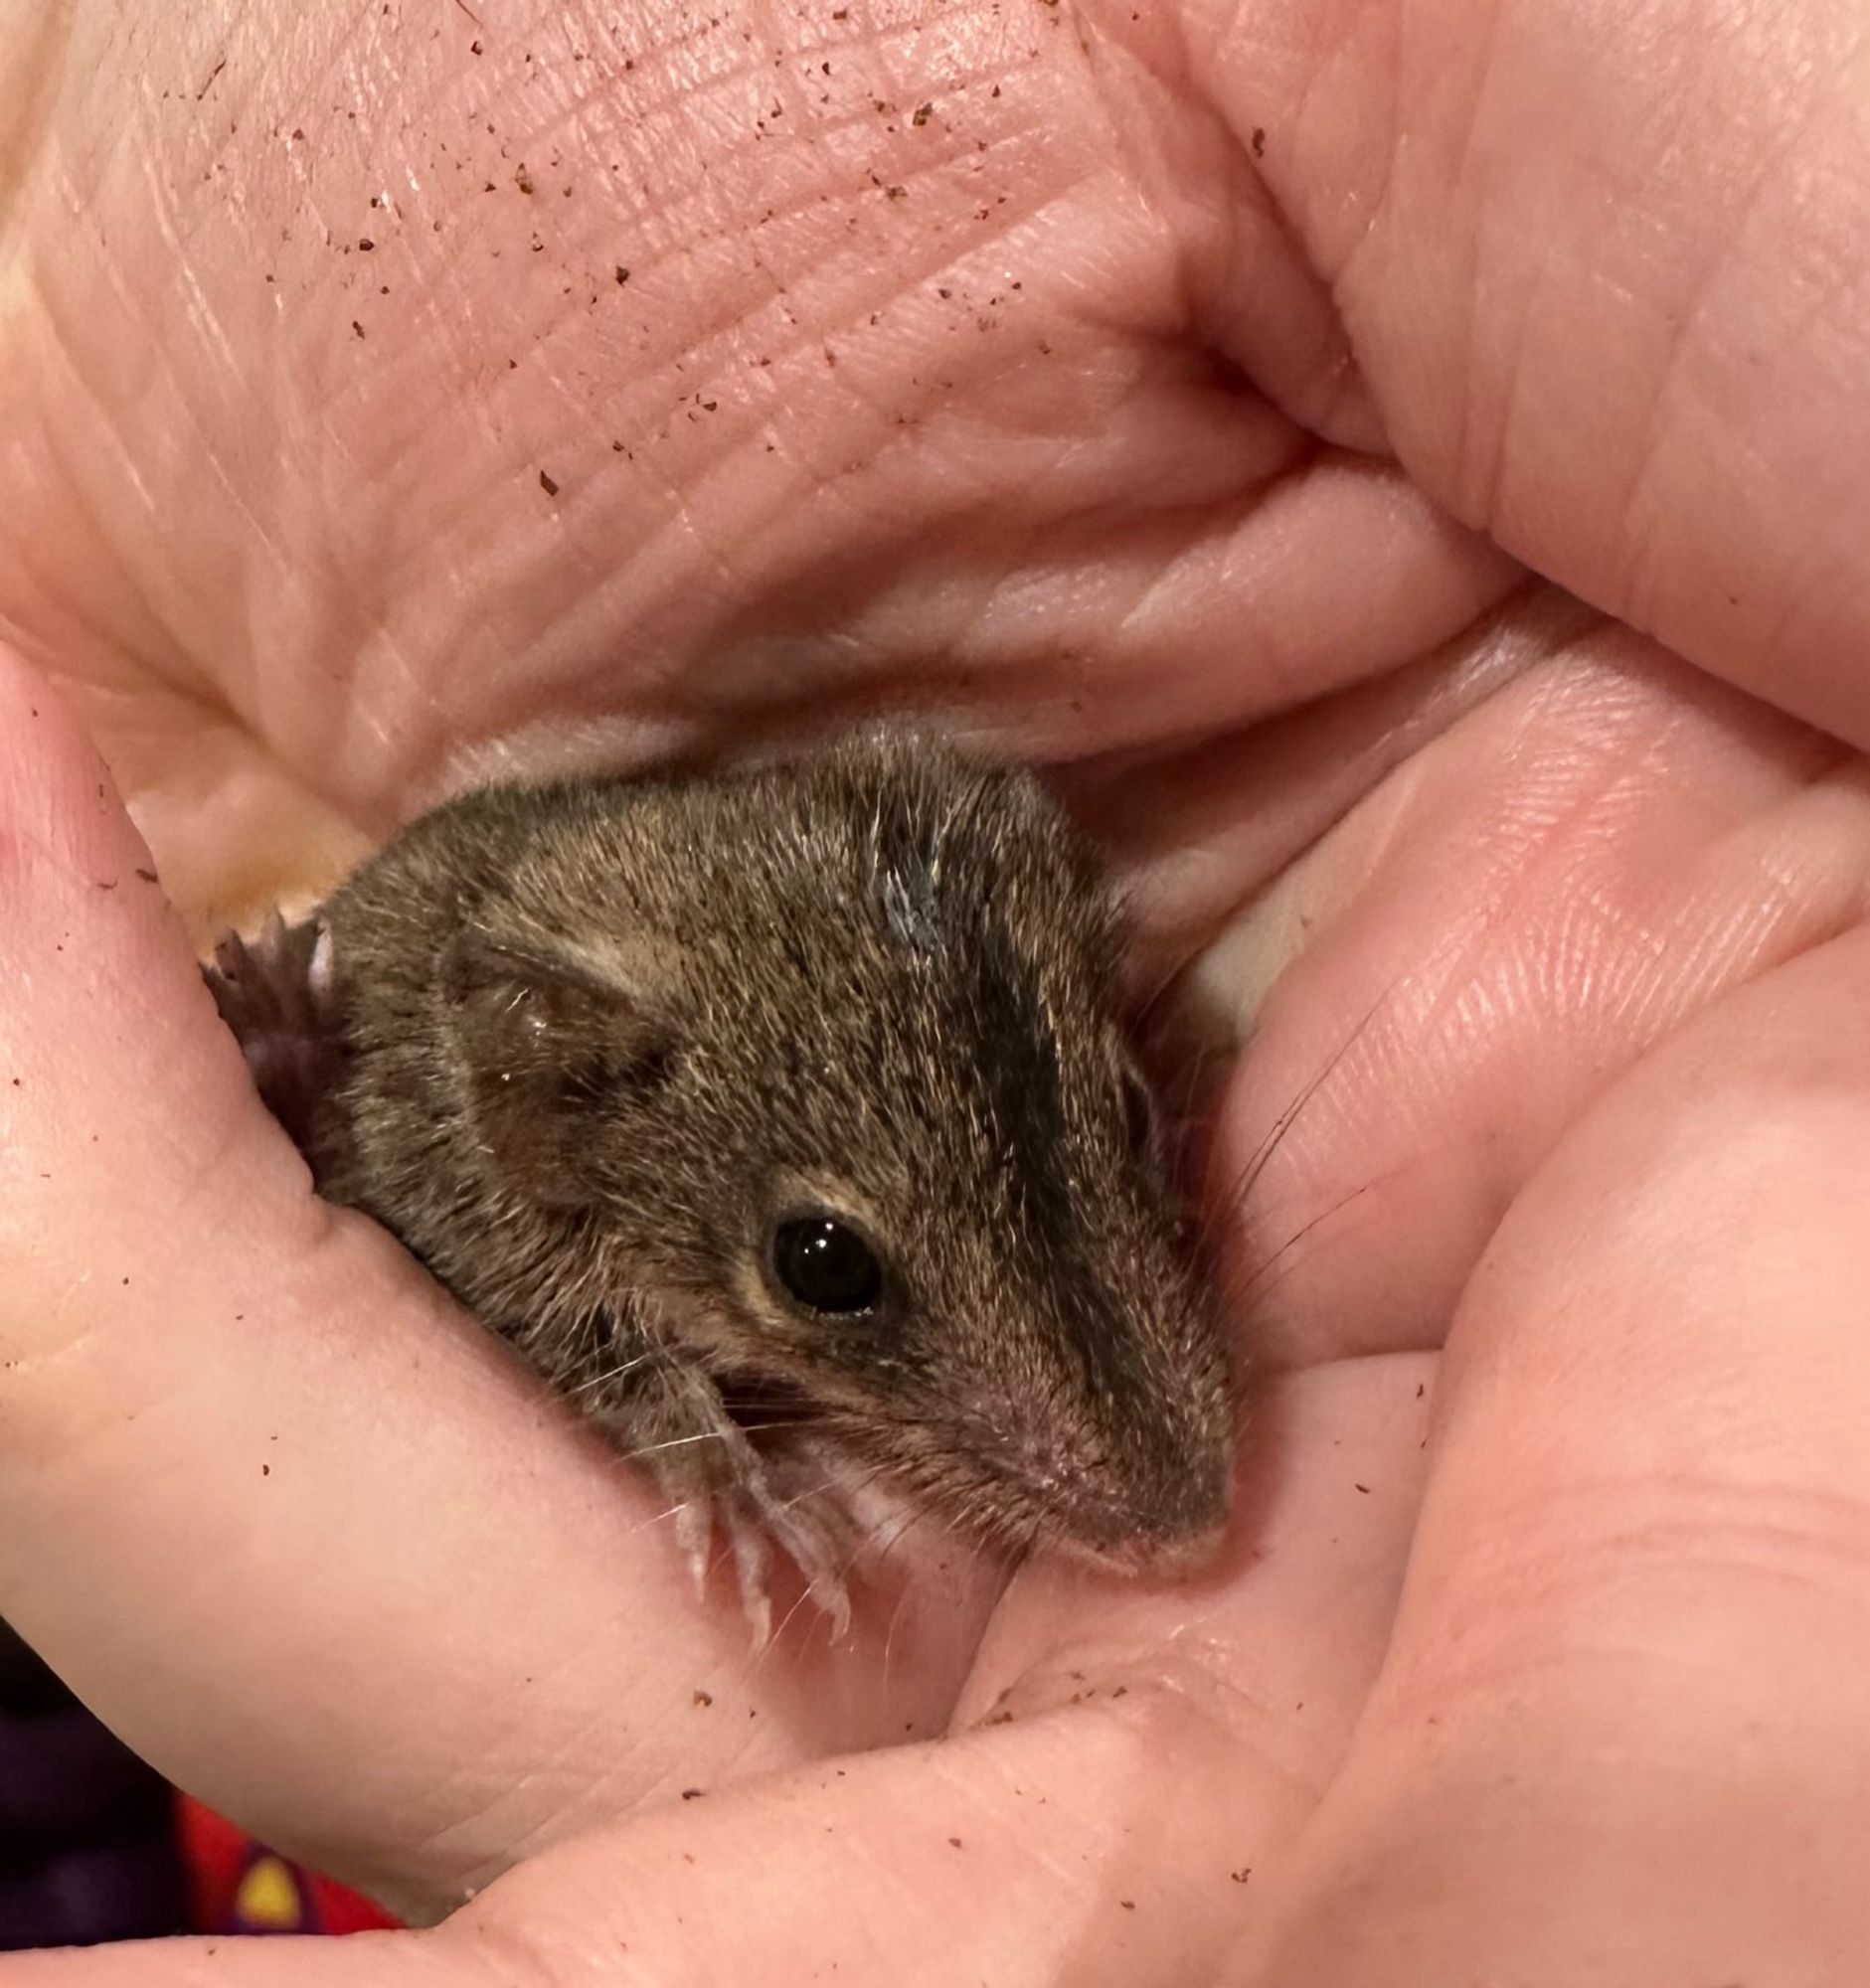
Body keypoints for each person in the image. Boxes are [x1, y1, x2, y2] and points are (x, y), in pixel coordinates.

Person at [1, 0, 1867, 1978]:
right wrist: (678, 1426)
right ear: (572, 1109)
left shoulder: (950, 853)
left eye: (1129, 1124)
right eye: (829, 1267)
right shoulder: (547, 1076)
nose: (1157, 1480)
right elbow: (499, 1252)